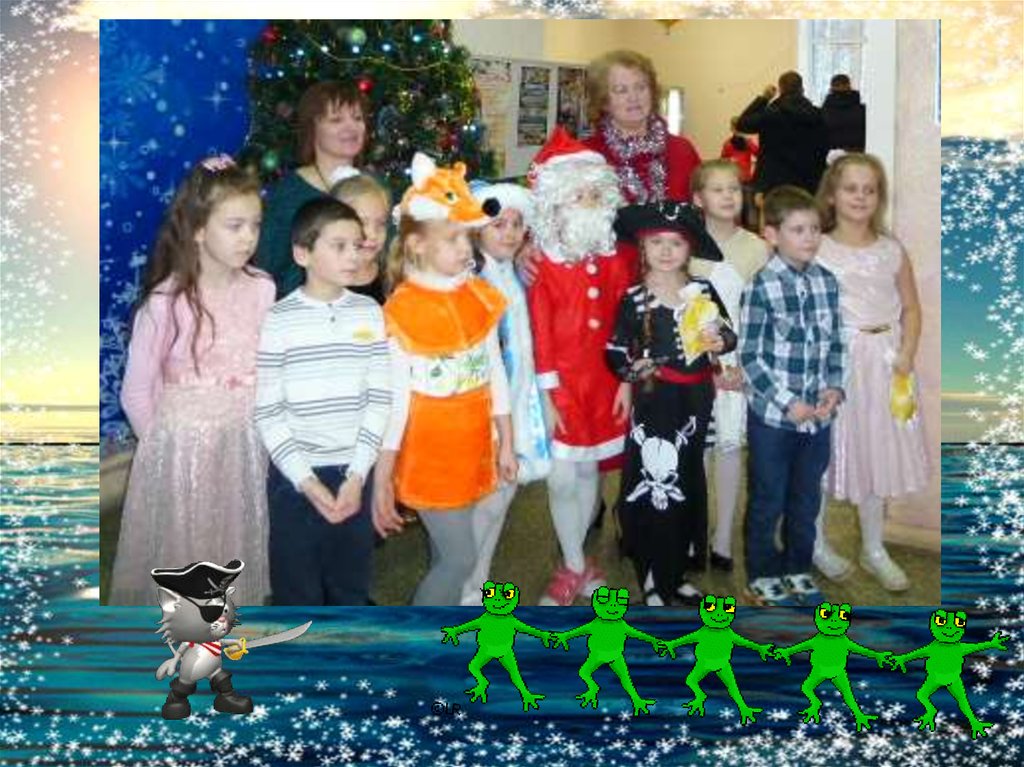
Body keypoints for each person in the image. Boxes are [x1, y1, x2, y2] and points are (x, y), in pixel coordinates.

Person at [110, 155, 274, 605]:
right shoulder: (166, 302)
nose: (248, 237)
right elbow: (136, 391)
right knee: (187, 546)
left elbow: (269, 364)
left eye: (255, 225)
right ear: (199, 229)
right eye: (235, 225)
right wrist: (163, 451)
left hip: (242, 444)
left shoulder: (262, 289)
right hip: (182, 452)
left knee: (232, 534)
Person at [374, 153, 517, 606]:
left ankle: (442, 631)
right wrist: (383, 477)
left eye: (467, 238)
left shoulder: (479, 297)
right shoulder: (402, 311)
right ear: (417, 245)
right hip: (429, 456)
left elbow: (494, 373)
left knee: (444, 554)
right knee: (460, 559)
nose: (465, 249)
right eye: (453, 238)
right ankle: (415, 640)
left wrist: (506, 441)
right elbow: (397, 403)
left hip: (474, 446)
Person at [254, 198, 391, 605]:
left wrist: (358, 475)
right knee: (297, 588)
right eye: (339, 246)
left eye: (357, 246)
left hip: (354, 471)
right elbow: (269, 410)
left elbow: (379, 399)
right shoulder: (279, 318)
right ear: (303, 254)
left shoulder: (368, 312)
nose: (354, 256)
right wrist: (307, 481)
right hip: (295, 477)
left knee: (350, 583)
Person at [525, 127, 635, 606]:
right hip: (562, 384)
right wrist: (547, 394)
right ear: (556, 204)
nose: (588, 203)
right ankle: (572, 564)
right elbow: (541, 332)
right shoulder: (543, 263)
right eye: (577, 196)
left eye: (594, 195)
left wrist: (626, 380)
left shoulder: (617, 258)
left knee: (590, 470)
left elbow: (627, 322)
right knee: (562, 475)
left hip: (605, 380)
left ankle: (575, 565)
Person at [812, 153, 928, 591]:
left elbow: (911, 308)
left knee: (876, 451)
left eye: (869, 190)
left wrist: (907, 353)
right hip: (835, 364)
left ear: (879, 197)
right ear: (831, 195)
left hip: (884, 363)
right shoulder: (816, 247)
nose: (860, 197)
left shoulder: (891, 250)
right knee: (823, 454)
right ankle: (814, 541)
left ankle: (874, 547)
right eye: (850, 188)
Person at [607, 201, 732, 606]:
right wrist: (632, 370)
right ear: (643, 247)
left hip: (696, 399)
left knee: (688, 478)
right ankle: (651, 575)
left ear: (689, 247)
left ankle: (676, 571)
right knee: (654, 481)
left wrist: (720, 340)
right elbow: (614, 350)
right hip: (654, 400)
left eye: (675, 242)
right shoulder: (635, 297)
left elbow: (728, 334)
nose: (666, 250)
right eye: (656, 241)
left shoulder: (703, 291)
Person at [739, 186, 845, 607]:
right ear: (771, 234)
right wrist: (787, 402)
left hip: (818, 419)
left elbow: (836, 343)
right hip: (774, 419)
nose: (810, 237)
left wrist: (834, 387)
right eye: (798, 230)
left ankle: (797, 567)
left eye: (815, 229)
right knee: (768, 497)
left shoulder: (827, 282)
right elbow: (749, 357)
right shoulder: (761, 286)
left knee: (806, 497)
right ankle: (762, 573)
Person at [456, 181, 553, 606]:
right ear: (478, 228)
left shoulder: (515, 275)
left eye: (516, 224)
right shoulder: (469, 280)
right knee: (483, 503)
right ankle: (464, 584)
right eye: (499, 224)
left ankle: (479, 579)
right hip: (483, 410)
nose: (510, 233)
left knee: (501, 499)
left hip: (515, 401)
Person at [689, 160, 770, 572]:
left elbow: (762, 312)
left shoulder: (756, 248)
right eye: (717, 189)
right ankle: (695, 530)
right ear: (698, 199)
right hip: (695, 361)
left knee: (730, 445)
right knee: (697, 448)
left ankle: (723, 536)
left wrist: (742, 365)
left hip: (737, 362)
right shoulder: (685, 245)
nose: (727, 196)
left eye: (734, 189)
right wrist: (705, 361)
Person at [257, 81, 371, 299]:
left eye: (358, 118)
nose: (351, 127)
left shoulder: (376, 187)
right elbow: (268, 270)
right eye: (336, 120)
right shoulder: (287, 194)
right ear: (312, 129)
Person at [582, 49, 702, 204]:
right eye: (621, 90)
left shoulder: (682, 150)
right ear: (603, 101)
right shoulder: (587, 157)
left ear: (652, 92)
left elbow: (705, 208)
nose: (633, 97)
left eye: (640, 87)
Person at [736, 72, 830, 196]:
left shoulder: (771, 114)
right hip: (809, 184)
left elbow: (742, 124)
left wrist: (764, 98)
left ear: (780, 89)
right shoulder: (818, 115)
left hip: (773, 184)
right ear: (802, 89)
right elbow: (826, 146)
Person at [330, 171, 391, 304]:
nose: (373, 234)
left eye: (381, 223)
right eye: (362, 223)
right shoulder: (324, 283)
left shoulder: (392, 278)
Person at [719, 117, 760, 230]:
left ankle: (746, 227)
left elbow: (758, 153)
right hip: (733, 178)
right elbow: (722, 160)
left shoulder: (747, 143)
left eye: (738, 128)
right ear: (732, 129)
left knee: (747, 205)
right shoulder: (728, 143)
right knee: (735, 203)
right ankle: (736, 226)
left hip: (745, 179)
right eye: (734, 127)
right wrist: (729, 160)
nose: (736, 130)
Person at [821, 74, 866, 152]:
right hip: (857, 153)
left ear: (831, 89)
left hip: (832, 154)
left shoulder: (824, 111)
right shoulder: (862, 110)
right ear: (849, 86)